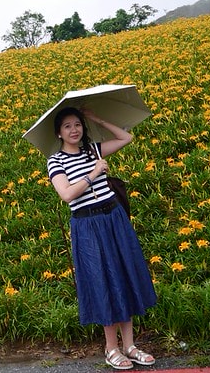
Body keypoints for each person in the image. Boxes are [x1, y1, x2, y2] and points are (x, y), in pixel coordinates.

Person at [47, 107, 157, 370]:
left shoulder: (93, 150)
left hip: (113, 217)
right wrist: (94, 173)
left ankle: (130, 346)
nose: (74, 130)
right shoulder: (56, 161)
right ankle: (111, 349)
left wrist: (97, 119)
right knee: (103, 281)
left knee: (124, 275)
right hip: (88, 225)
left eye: (78, 124)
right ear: (58, 133)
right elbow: (66, 194)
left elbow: (125, 138)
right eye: (67, 126)